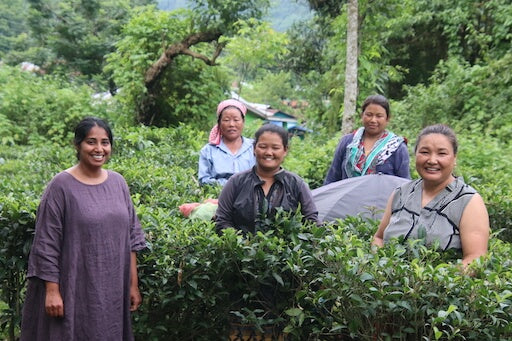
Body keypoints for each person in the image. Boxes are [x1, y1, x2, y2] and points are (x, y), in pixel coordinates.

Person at [21, 117, 146, 340]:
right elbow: (46, 243)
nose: (99, 149)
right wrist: (52, 291)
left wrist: (132, 285)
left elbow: (132, 238)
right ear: (77, 145)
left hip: (111, 290)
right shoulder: (61, 186)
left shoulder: (118, 183)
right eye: (91, 142)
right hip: (73, 288)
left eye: (105, 142)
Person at [372, 124, 489, 267]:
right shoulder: (401, 193)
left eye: (442, 153)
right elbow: (379, 238)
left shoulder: (469, 201)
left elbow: (475, 259)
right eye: (425, 152)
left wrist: (431, 282)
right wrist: (378, 266)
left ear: (454, 158)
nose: (432, 160)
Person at [215, 124, 319, 235]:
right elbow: (222, 220)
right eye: (263, 147)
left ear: (285, 150)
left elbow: (311, 221)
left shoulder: (296, 184)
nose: (269, 152)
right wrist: (242, 244)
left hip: (283, 251)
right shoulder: (236, 182)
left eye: (275, 148)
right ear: (254, 148)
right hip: (240, 250)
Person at [324, 94, 410, 184]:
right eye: (369, 115)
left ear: (387, 119)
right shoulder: (347, 142)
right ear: (362, 115)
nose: (373, 120)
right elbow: (332, 179)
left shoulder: (397, 148)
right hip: (348, 197)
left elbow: (404, 184)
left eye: (379, 116)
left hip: (384, 198)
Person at [198, 99, 256, 186]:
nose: (231, 124)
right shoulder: (208, 150)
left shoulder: (254, 147)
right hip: (218, 196)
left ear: (243, 122)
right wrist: (230, 185)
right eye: (226, 120)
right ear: (219, 123)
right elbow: (204, 180)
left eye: (236, 120)